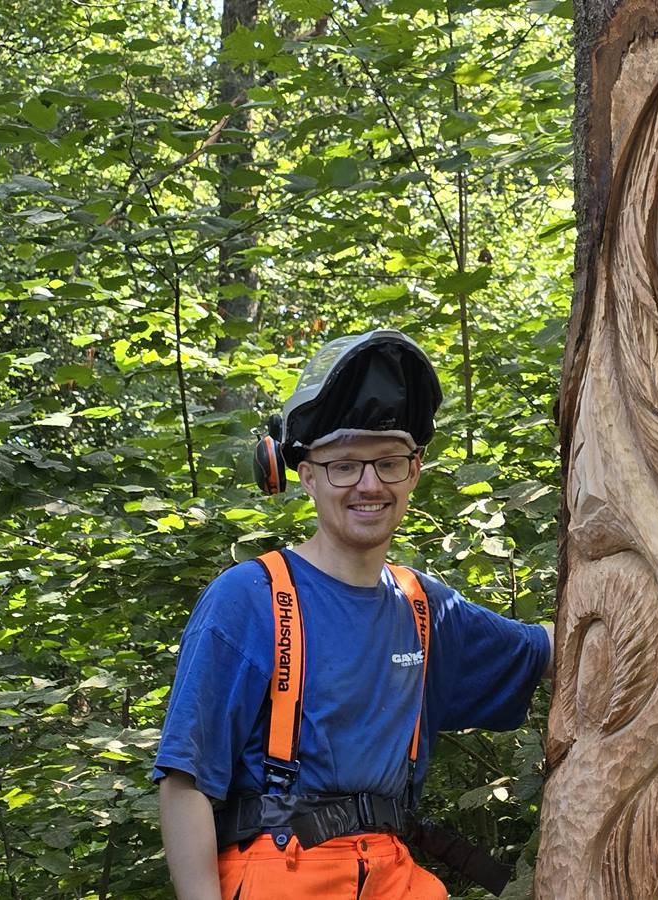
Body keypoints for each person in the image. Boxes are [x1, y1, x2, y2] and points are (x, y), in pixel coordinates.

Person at [154, 329, 553, 900]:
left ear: (413, 471)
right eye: (345, 465)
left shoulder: (425, 607)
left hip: (392, 872)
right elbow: (184, 781)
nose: (370, 484)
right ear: (306, 474)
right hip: (281, 872)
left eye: (388, 462)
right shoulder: (251, 597)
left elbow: (554, 648)